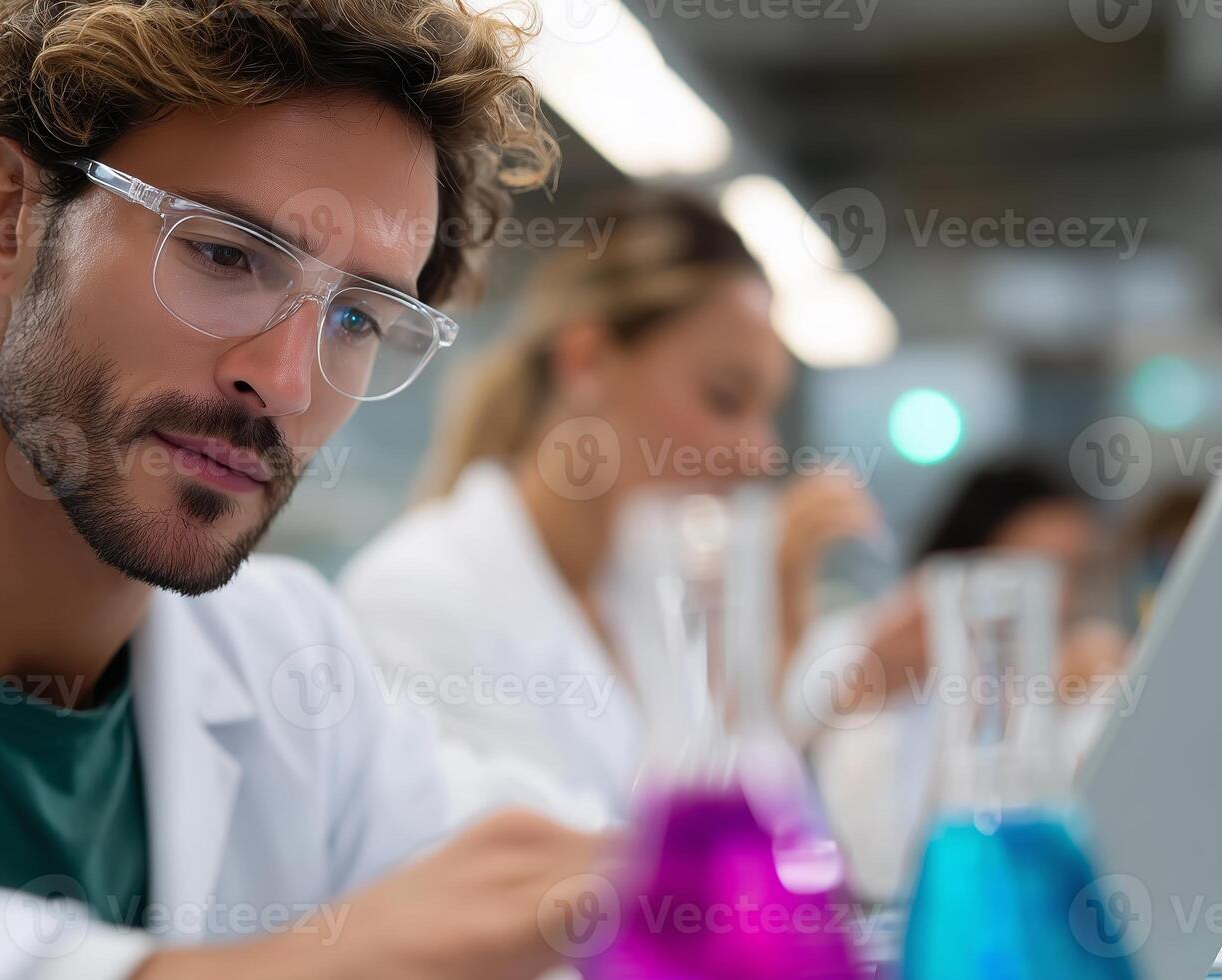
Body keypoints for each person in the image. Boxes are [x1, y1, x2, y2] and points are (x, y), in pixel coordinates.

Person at [0, 0, 604, 976]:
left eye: (357, 318)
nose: (284, 381)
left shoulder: (291, 668)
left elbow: (523, 884)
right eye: (225, 254)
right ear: (6, 215)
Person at [338, 189, 888, 827]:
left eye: (765, 411)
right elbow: (542, 871)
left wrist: (771, 650)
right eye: (725, 397)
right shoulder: (416, 599)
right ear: (588, 361)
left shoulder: (647, 596)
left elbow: (751, 839)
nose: (760, 454)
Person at [807, 457, 1131, 898]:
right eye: (1030, 570)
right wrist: (864, 686)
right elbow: (866, 851)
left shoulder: (1090, 664)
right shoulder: (870, 647)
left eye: (1074, 572)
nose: (1059, 600)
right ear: (967, 561)